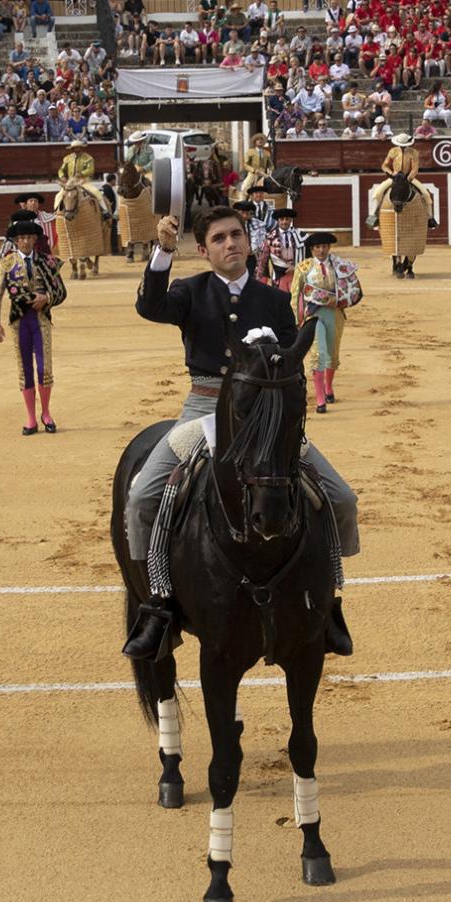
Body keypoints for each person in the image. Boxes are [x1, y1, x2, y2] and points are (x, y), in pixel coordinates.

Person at [122, 209, 360, 661]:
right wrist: (163, 251)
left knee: (342, 499)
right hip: (203, 409)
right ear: (203, 250)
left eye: (236, 235)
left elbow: (291, 361)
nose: (230, 243)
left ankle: (328, 600)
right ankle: (157, 605)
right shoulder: (189, 291)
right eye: (219, 238)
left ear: (248, 243)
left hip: (264, 415)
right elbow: (150, 307)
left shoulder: (274, 299)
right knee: (141, 499)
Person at [0, 217, 67, 436]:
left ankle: (46, 413)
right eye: (21, 238)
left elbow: (61, 292)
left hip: (41, 321)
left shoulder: (47, 261)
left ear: (34, 239)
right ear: (16, 241)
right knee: (25, 370)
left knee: (44, 369)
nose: (25, 241)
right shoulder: (6, 263)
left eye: (29, 237)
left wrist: (47, 298)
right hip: (19, 323)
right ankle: (31, 418)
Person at [289, 231, 362, 413]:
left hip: (335, 314)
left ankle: (328, 387)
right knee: (318, 354)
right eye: (317, 247)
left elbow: (352, 290)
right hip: (313, 315)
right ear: (312, 249)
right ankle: (320, 399)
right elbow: (295, 295)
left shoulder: (339, 265)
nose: (321, 250)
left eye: (324, 247)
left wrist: (339, 300)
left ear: (329, 247)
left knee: (332, 354)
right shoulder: (303, 268)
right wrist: (297, 320)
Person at [364, 131, 440, 229]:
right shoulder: (393, 151)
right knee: (378, 192)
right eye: (401, 145)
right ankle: (373, 216)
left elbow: (415, 168)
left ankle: (430, 218)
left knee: (426, 194)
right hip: (395, 177)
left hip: (408, 178)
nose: (403, 147)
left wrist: (408, 178)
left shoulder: (413, 152)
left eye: (404, 145)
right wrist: (392, 174)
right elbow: (384, 165)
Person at [264, 207, 304, 290]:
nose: (284, 222)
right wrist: (263, 277)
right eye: (282, 219)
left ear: (291, 220)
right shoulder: (269, 237)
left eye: (287, 219)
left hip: (296, 273)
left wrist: (296, 267)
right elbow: (263, 259)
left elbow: (307, 258)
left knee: (296, 296)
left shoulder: (301, 236)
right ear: (278, 221)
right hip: (278, 274)